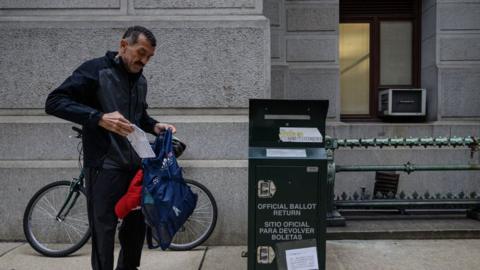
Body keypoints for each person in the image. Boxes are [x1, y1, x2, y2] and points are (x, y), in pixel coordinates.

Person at [45, 26, 175, 270]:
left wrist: (155, 125)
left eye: (149, 57)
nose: (144, 61)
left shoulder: (140, 80)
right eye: (141, 52)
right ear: (123, 45)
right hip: (105, 166)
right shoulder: (95, 70)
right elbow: (54, 102)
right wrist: (98, 117)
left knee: (135, 229)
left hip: (136, 167)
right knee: (104, 231)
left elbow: (138, 116)